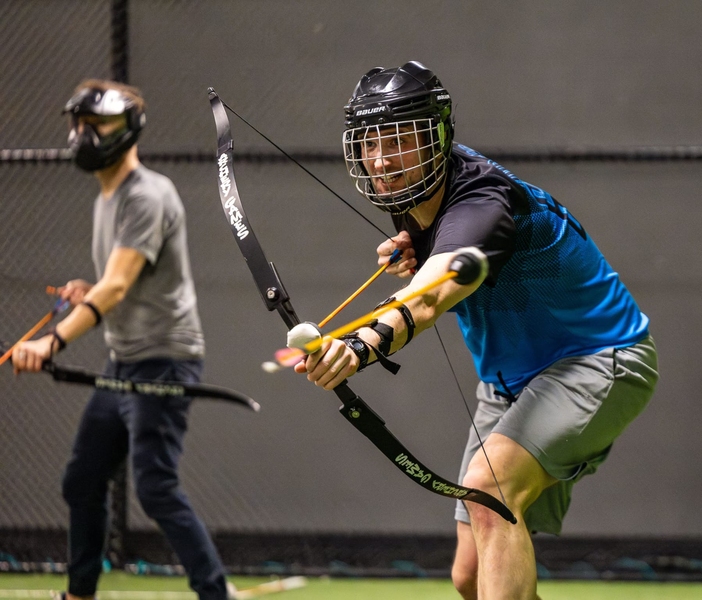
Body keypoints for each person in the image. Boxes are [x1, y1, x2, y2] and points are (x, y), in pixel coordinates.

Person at [295, 61, 659, 599]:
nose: (381, 159)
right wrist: (415, 246)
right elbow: (437, 258)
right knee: (470, 577)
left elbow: (430, 298)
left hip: (599, 359)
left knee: (492, 494)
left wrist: (359, 345)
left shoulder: (482, 200)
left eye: (398, 140)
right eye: (369, 142)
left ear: (436, 137)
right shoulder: (413, 195)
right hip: (508, 383)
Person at [11, 80, 229, 600]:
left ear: (127, 129)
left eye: (96, 125)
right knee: (82, 480)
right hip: (125, 362)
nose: (82, 136)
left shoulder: (146, 195)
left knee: (155, 488)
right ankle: (80, 594)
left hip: (164, 361)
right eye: (79, 125)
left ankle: (216, 595)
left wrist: (51, 342)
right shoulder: (108, 196)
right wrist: (90, 290)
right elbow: (116, 283)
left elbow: (116, 286)